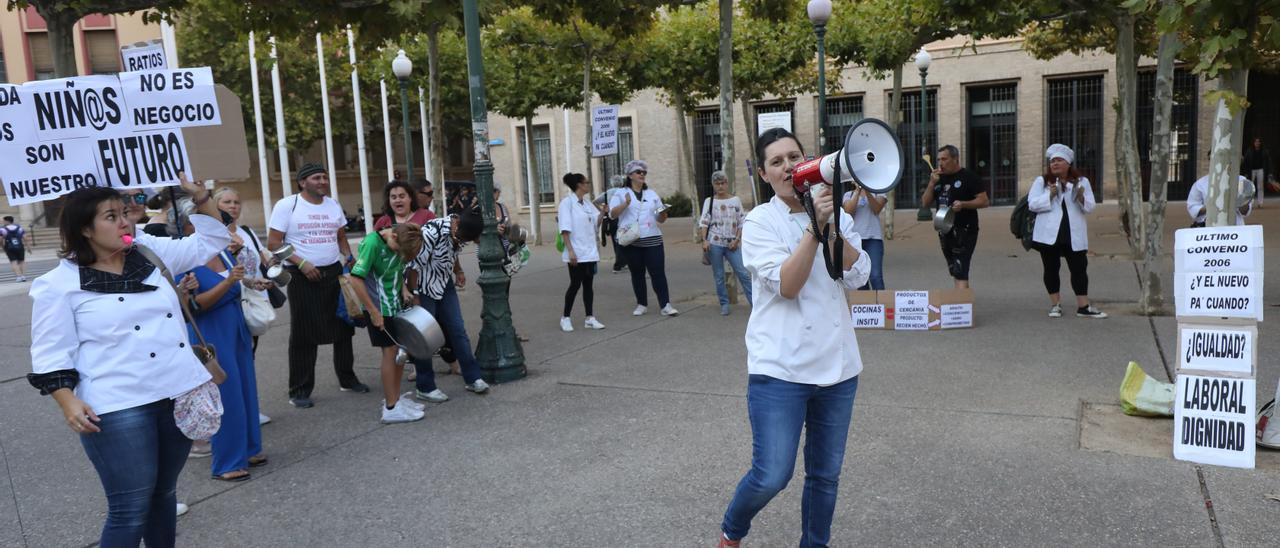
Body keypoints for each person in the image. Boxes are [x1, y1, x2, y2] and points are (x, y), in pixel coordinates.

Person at [27, 178, 230, 547]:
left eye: (124, 213)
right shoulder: (58, 284)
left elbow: (211, 242)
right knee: (129, 508)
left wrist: (200, 196)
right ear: (85, 229)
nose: (125, 222)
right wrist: (67, 399)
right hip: (118, 405)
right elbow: (50, 352)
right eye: (111, 216)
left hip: (176, 393)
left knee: (163, 495)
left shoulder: (148, 253)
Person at [718, 128, 870, 547]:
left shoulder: (837, 212)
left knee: (825, 476)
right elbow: (788, 284)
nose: (788, 167)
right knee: (772, 474)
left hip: (838, 369)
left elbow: (858, 275)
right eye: (777, 162)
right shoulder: (759, 222)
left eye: (794, 157)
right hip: (781, 369)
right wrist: (813, 229)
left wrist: (833, 226)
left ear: (808, 161)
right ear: (765, 174)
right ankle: (733, 529)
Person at [268, 163, 368, 409]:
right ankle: (299, 390)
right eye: (316, 178)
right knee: (304, 334)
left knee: (344, 327)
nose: (322, 181)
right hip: (302, 276)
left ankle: (347, 378)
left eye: (324, 177)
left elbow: (340, 236)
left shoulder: (332, 204)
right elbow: (273, 242)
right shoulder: (287, 205)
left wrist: (348, 257)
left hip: (334, 273)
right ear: (302, 182)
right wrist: (301, 263)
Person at [179, 230, 272, 481]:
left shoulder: (223, 252)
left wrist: (251, 283)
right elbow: (193, 307)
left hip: (235, 326)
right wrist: (229, 281)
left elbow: (237, 281)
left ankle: (249, 449)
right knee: (226, 395)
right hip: (211, 333)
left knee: (245, 388)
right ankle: (228, 462)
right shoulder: (185, 260)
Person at [347, 223, 428, 423]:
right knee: (390, 353)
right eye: (398, 250)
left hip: (395, 306)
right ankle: (391, 409)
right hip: (379, 309)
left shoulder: (400, 241)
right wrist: (373, 312)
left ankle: (396, 399)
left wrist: (404, 291)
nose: (399, 255)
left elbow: (396, 272)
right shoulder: (372, 244)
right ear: (392, 236)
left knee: (401, 353)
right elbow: (356, 279)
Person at [408, 212, 491, 403]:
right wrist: (414, 295)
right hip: (423, 286)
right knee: (424, 337)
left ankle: (472, 377)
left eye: (463, 240)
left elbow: (452, 253)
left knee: (457, 330)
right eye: (459, 237)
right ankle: (425, 386)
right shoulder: (431, 232)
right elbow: (413, 266)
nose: (459, 241)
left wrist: (458, 270)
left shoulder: (461, 231)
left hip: (444, 284)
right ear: (456, 224)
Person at [215, 187, 274, 426]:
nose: (233, 206)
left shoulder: (246, 231)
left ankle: (250, 408)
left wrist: (273, 265)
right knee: (232, 359)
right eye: (227, 202)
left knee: (248, 357)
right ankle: (235, 411)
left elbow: (261, 258)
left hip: (253, 298)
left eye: (236, 202)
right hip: (230, 299)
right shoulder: (214, 235)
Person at [1028, 144, 1107, 319]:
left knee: (1079, 269)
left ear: (1068, 164)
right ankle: (1055, 305)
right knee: (1051, 268)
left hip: (1073, 234)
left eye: (1059, 160)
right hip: (1049, 234)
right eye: (1052, 161)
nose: (1054, 164)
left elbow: (1090, 207)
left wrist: (1080, 197)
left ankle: (1083, 306)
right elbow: (1032, 204)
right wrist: (1049, 195)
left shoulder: (1081, 182)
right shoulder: (1042, 181)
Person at [609, 160, 678, 317]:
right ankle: (641, 304)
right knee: (637, 273)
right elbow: (612, 214)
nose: (642, 175)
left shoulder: (651, 194)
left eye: (644, 173)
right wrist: (625, 204)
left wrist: (663, 213)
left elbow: (660, 219)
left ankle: (665, 305)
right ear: (630, 175)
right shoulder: (620, 193)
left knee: (658, 272)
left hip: (652, 238)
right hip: (631, 240)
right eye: (639, 172)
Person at [921, 145, 988, 288]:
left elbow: (984, 201)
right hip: (945, 230)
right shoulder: (938, 178)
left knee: (961, 269)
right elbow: (925, 203)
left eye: (944, 159)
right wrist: (932, 183)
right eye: (939, 159)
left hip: (965, 230)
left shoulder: (969, 177)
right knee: (955, 269)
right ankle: (962, 304)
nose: (940, 163)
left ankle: (961, 307)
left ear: (955, 159)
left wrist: (963, 204)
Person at [699, 170, 753, 315]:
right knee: (718, 275)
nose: (720, 186)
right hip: (714, 243)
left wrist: (737, 240)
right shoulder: (709, 201)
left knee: (743, 273)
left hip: (732, 244)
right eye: (717, 183)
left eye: (723, 183)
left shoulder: (735, 200)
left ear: (727, 183)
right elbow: (704, 222)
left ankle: (754, 302)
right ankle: (724, 303)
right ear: (713, 185)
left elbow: (742, 221)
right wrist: (704, 240)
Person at [558, 173, 605, 332]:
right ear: (579, 185)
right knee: (575, 284)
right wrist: (570, 251)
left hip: (590, 252)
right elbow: (564, 229)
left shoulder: (586, 203)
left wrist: (603, 212)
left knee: (588, 285)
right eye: (587, 182)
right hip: (576, 251)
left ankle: (589, 318)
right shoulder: (567, 203)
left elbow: (596, 223)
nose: (588, 184)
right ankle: (565, 317)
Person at [841, 182, 888, 290]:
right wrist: (857, 191)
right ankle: (865, 304)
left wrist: (867, 190)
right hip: (855, 241)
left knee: (875, 276)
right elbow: (848, 212)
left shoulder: (879, 193)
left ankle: (882, 305)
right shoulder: (848, 195)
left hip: (874, 240)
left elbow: (876, 209)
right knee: (860, 279)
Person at [1187, 173, 1254, 227]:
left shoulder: (1241, 180)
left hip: (1235, 226)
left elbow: (1245, 211)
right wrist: (1211, 207)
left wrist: (1241, 201)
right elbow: (1192, 207)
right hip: (1209, 228)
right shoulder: (1200, 184)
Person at [593, 174, 629, 274]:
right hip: (621, 219)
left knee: (616, 241)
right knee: (623, 241)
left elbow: (595, 201)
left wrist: (603, 211)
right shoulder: (624, 192)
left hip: (611, 220)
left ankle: (622, 263)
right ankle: (618, 266)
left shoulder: (607, 193)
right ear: (621, 182)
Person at [1242, 137, 1271, 206]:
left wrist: (1269, 172)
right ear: (1253, 143)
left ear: (1260, 143)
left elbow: (1268, 161)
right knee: (1250, 186)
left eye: (1258, 142)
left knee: (1260, 186)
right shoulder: (1249, 151)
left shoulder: (1264, 151)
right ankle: (1249, 202)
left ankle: (1260, 202)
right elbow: (1245, 161)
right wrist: (1245, 171)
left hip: (1260, 170)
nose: (1257, 143)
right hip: (1251, 170)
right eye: (1256, 142)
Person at [1, 215, 31, 282]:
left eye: (3, 221)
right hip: (20, 246)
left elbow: (0, 239)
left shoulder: (3, 229)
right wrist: (28, 247)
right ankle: (23, 276)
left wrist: (3, 246)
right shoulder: (19, 228)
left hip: (9, 247)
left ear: (7, 221)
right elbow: (25, 238)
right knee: (22, 261)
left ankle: (18, 276)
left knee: (13, 262)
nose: (3, 222)